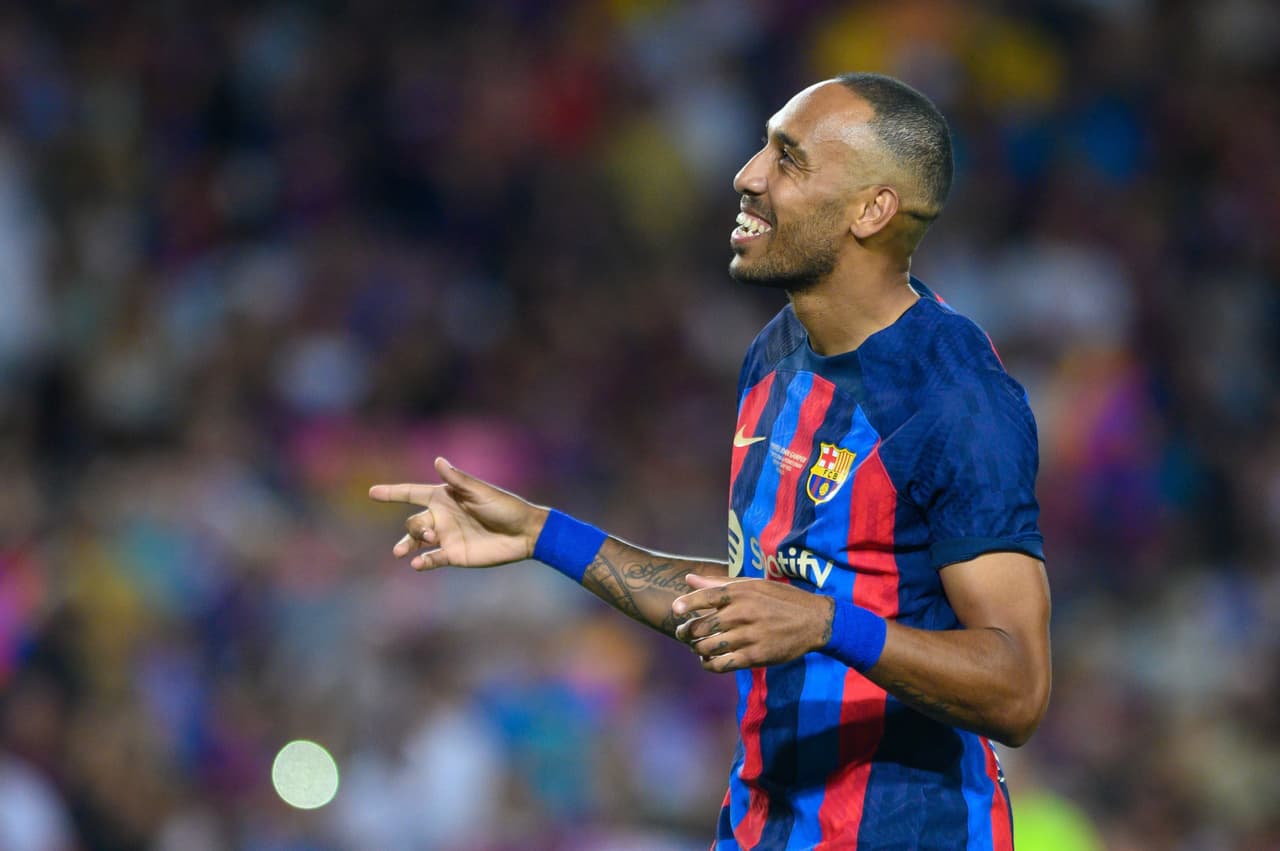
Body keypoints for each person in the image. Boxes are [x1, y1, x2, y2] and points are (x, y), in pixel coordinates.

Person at [370, 72, 1050, 850]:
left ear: (871, 210)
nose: (747, 175)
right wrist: (541, 533)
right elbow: (755, 603)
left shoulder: (956, 397)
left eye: (788, 158)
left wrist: (827, 622)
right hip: (762, 828)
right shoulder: (775, 354)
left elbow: (1018, 688)